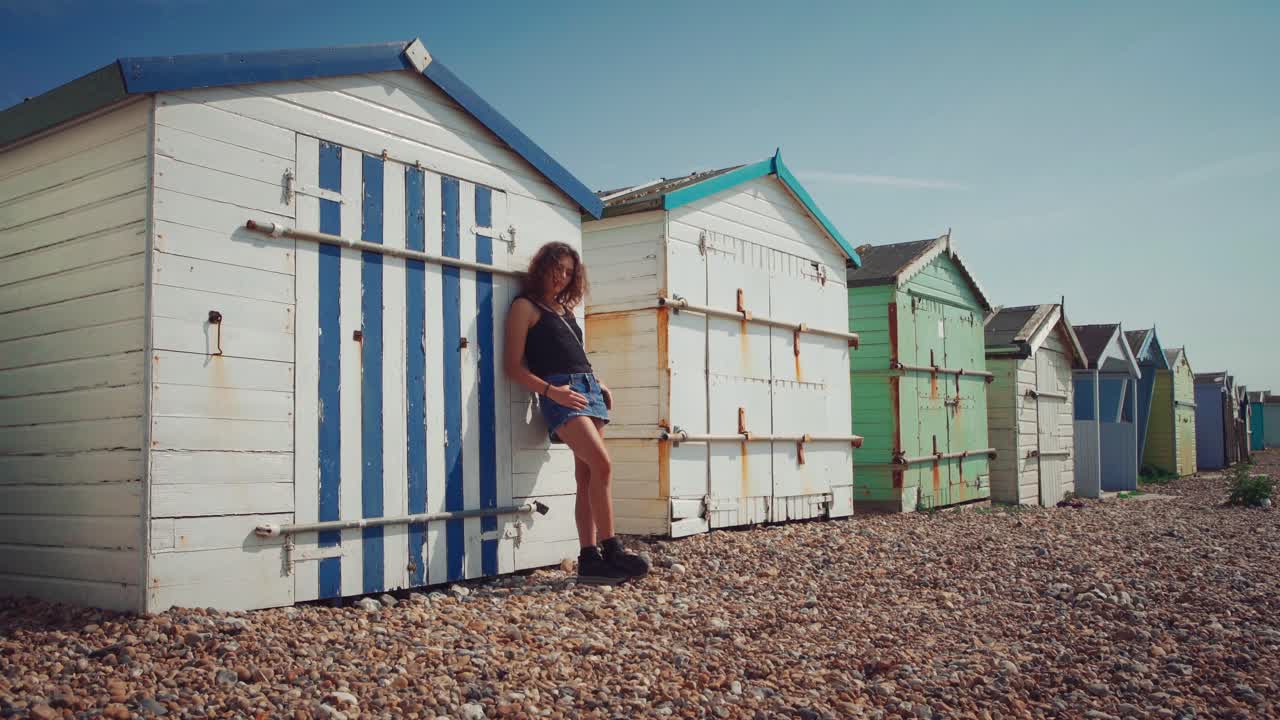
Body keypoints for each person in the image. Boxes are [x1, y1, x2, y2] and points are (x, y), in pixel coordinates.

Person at [503, 241, 650, 585]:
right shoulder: (525, 307)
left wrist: (598, 382)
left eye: (569, 272)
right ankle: (611, 549)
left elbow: (572, 353)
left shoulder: (564, 311)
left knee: (585, 478)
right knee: (603, 465)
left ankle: (589, 560)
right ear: (542, 268)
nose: (563, 277)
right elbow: (512, 367)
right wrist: (552, 392)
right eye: (558, 270)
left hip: (588, 390)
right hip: (561, 393)